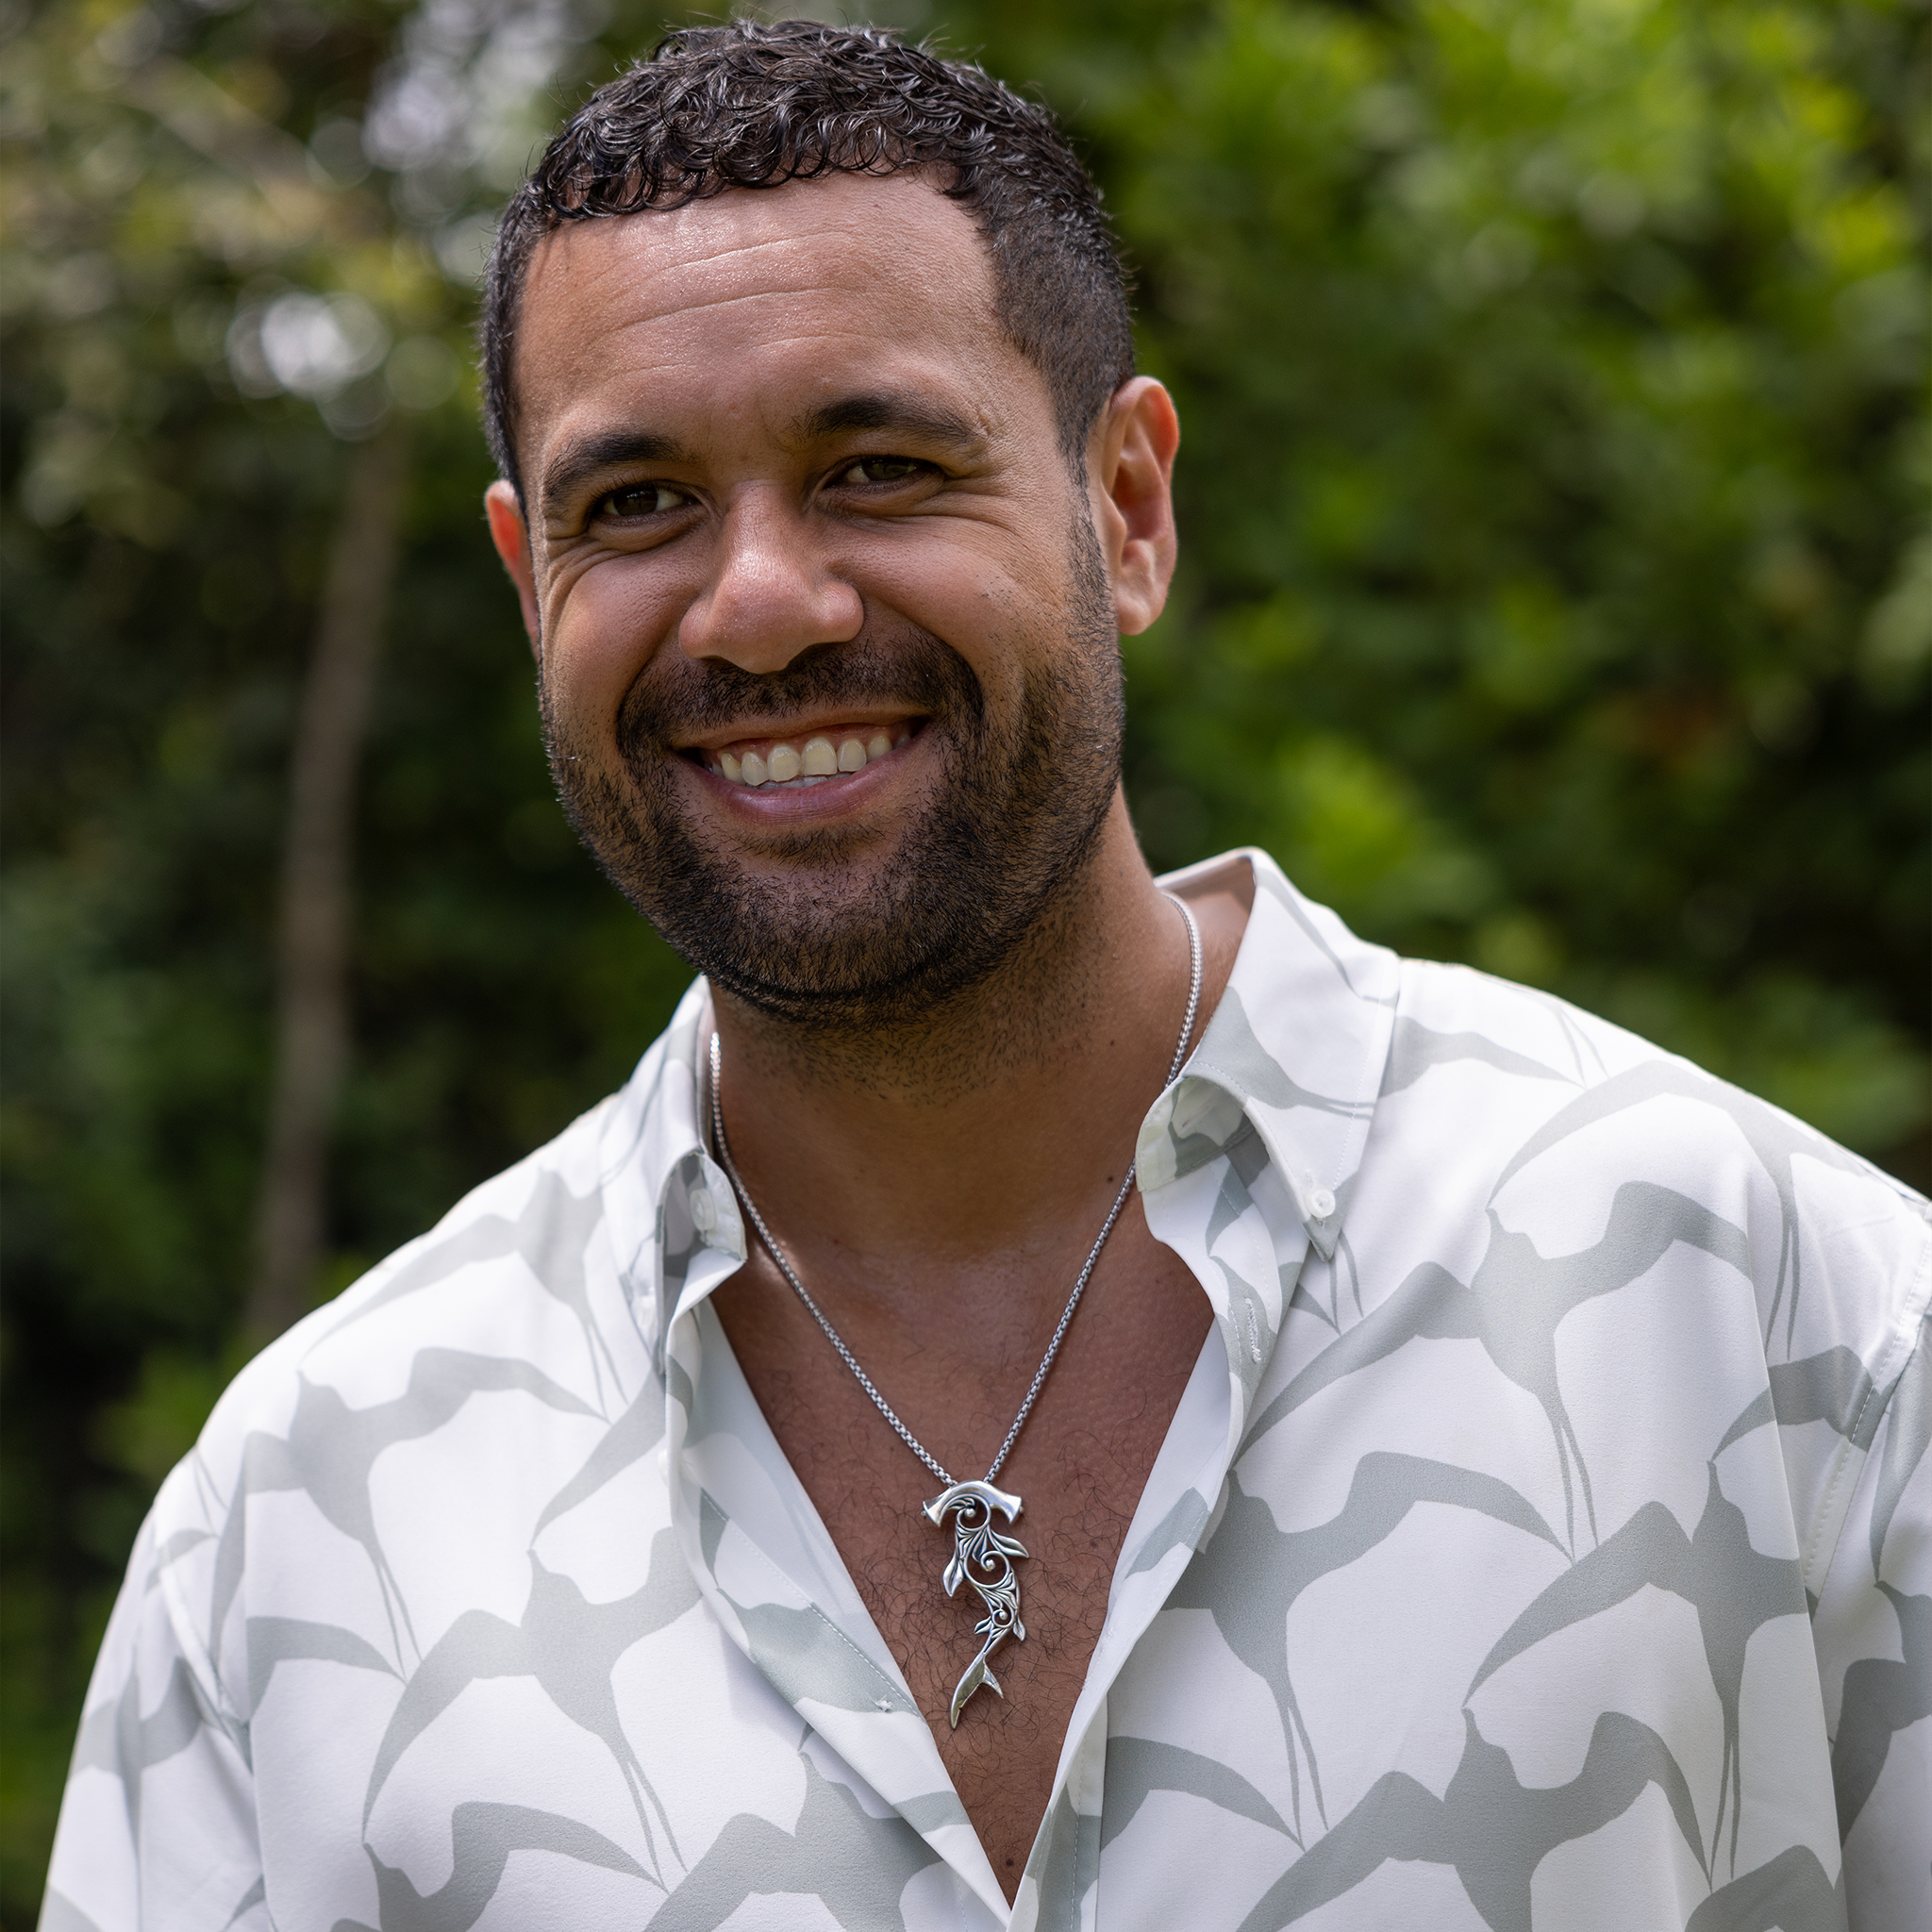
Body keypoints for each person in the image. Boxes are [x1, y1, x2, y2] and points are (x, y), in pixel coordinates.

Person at [42, 21, 1929, 1932]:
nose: (763, 603)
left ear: (1126, 507)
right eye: (638, 507)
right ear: (529, 579)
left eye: (875, 468)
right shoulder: (304, 1530)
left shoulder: (1769, 1315)